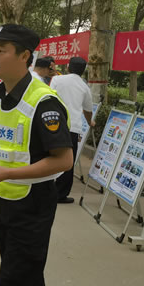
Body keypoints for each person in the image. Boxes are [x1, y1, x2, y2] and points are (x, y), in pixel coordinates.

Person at [0, 24, 73, 286]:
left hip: (33, 203)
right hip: (4, 199)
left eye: (2, 51)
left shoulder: (43, 102)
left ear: (25, 56)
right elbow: (9, 145)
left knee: (14, 283)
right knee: (27, 279)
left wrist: (7, 173)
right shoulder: (0, 95)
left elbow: (64, 160)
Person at [50, 56, 94, 203]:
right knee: (68, 161)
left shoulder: (57, 80)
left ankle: (44, 188)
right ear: (84, 70)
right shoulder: (84, 87)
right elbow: (88, 109)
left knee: (49, 156)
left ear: (68, 67)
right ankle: (61, 194)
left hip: (53, 123)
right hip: (72, 127)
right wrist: (90, 122)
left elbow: (49, 97)